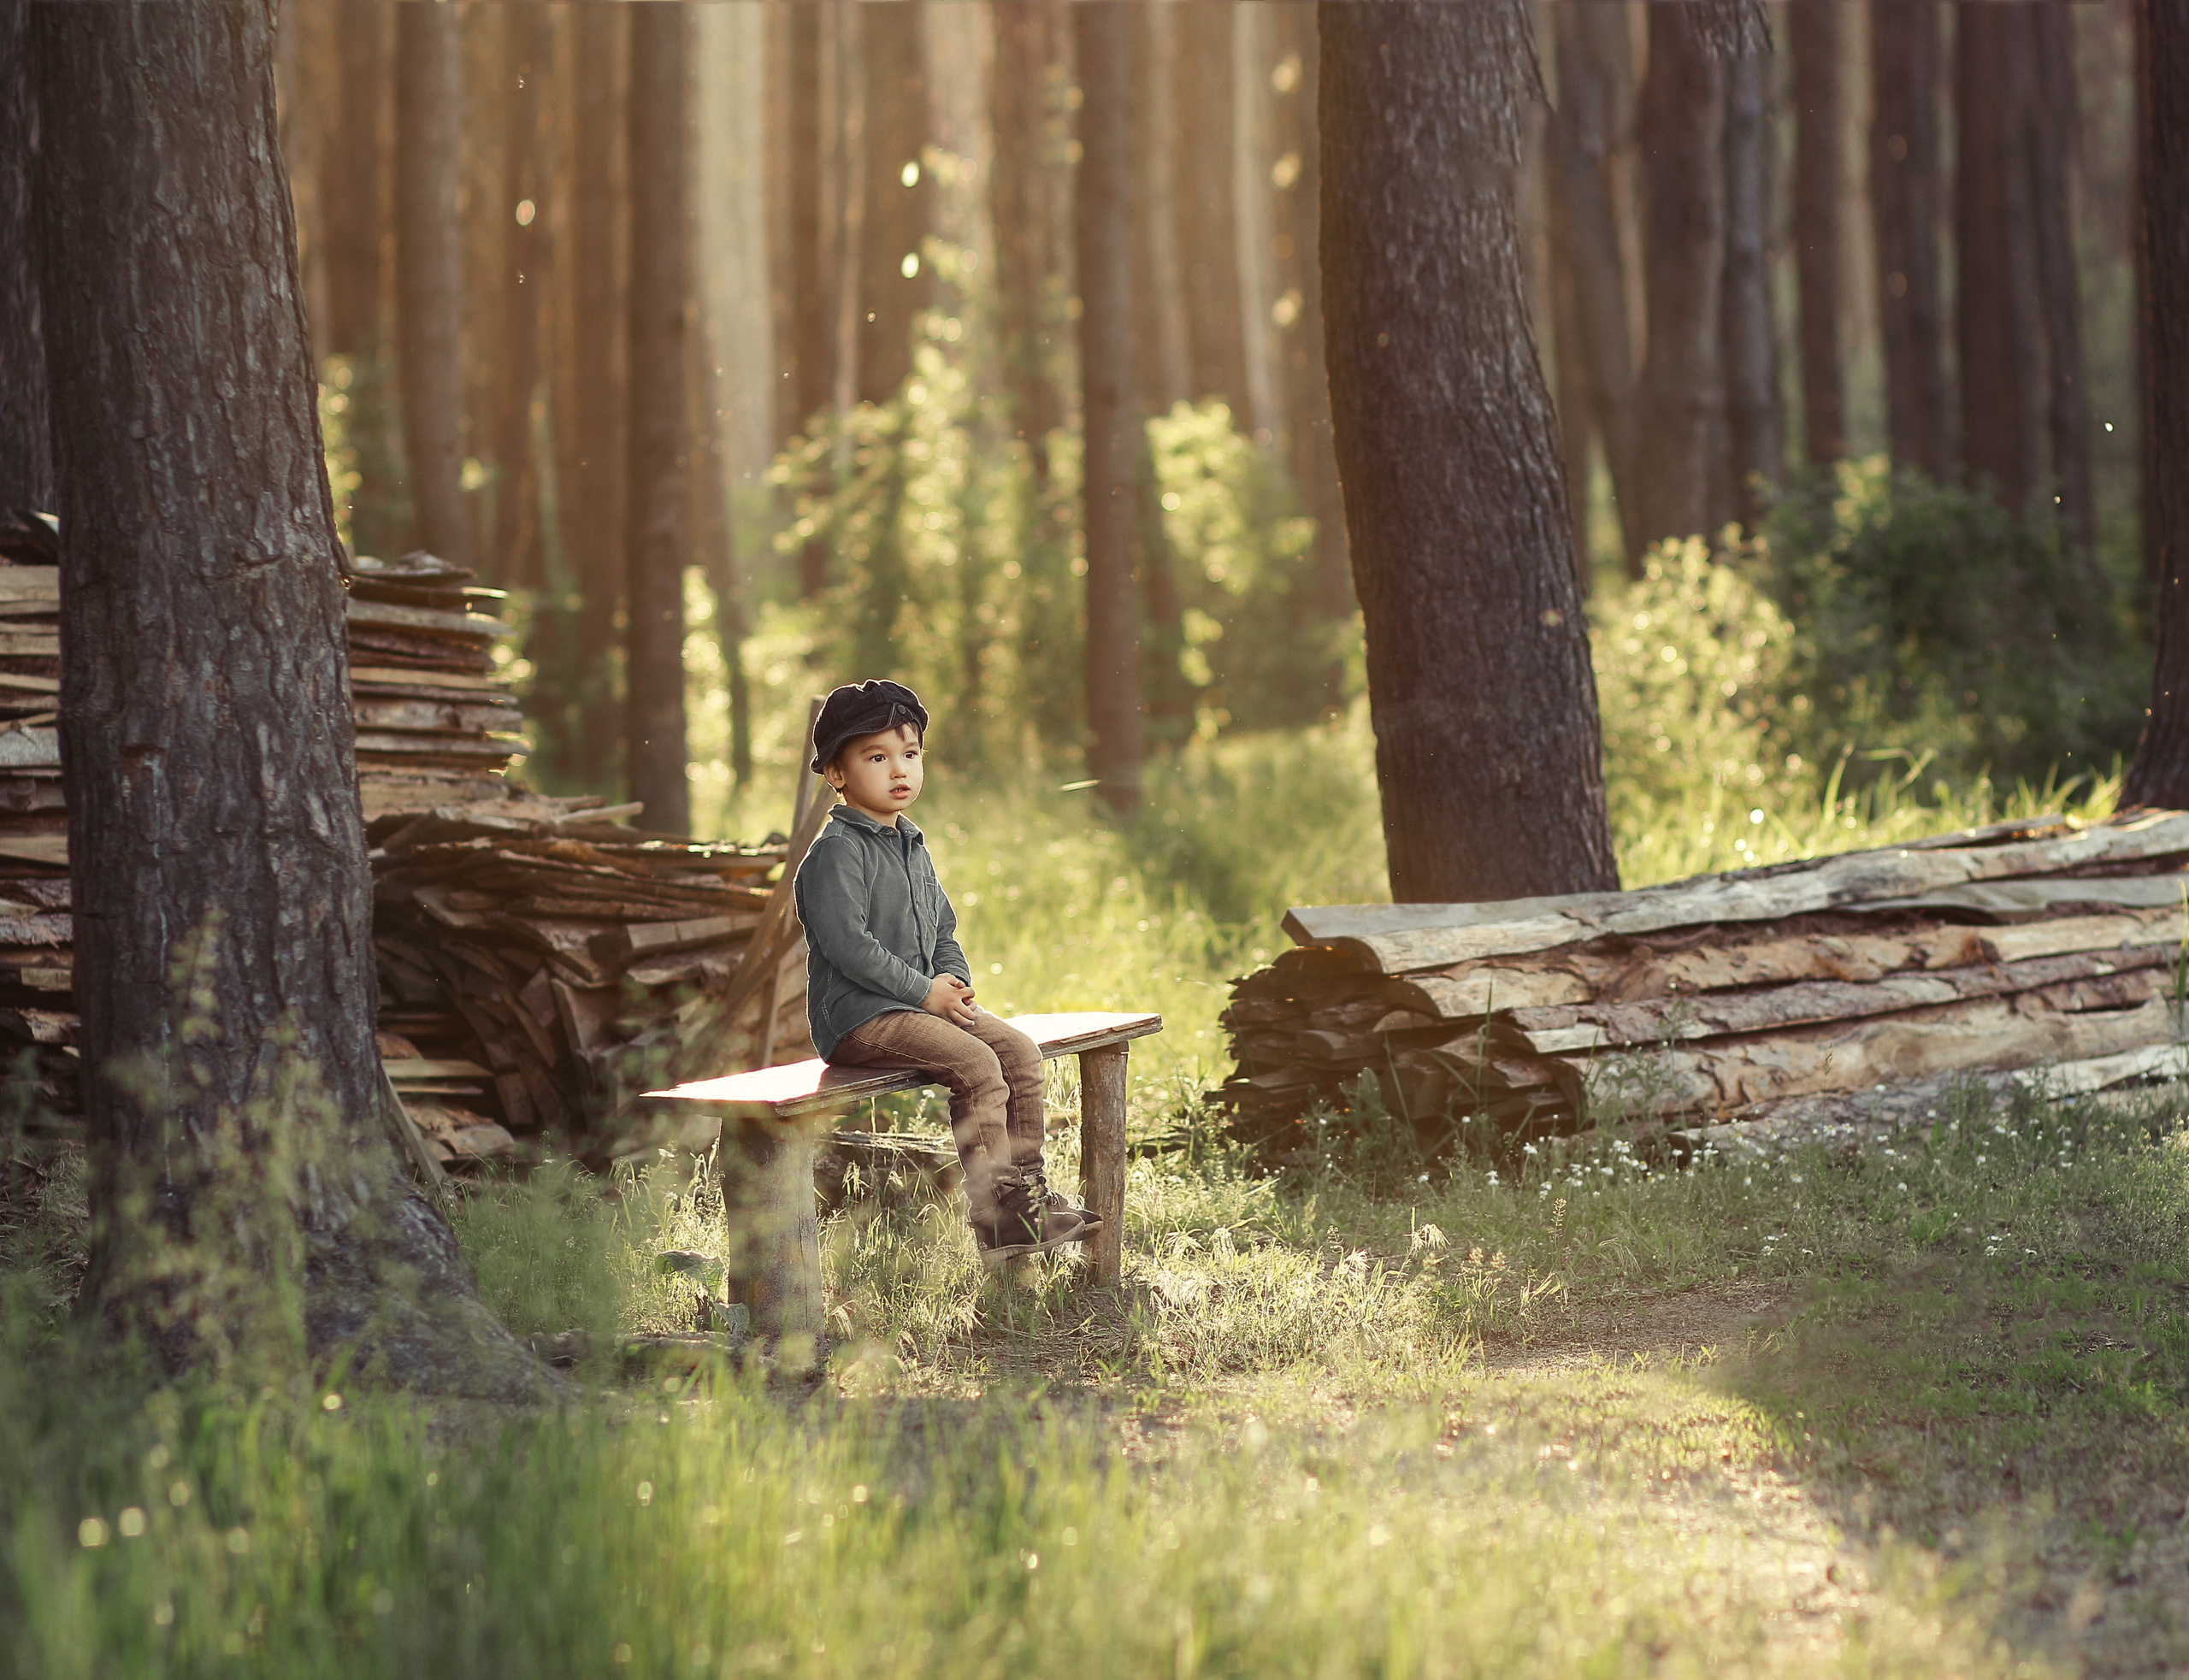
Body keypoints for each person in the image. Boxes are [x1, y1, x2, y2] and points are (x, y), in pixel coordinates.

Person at [794, 679, 1100, 1264]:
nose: (897, 769)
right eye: (876, 757)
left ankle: (1024, 1192)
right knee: (977, 1063)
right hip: (860, 1017)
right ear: (837, 772)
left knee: (1017, 1050)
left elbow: (942, 931)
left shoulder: (912, 847)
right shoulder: (837, 851)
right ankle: (997, 1208)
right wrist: (923, 992)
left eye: (909, 753)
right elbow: (847, 945)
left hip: (919, 1006)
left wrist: (952, 986)